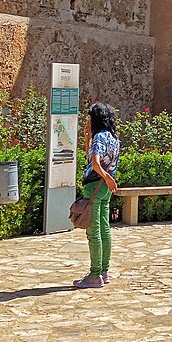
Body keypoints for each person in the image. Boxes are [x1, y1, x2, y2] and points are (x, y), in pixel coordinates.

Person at [76, 102, 121, 288]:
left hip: (94, 185)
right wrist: (87, 138)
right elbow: (93, 157)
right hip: (104, 189)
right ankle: (104, 271)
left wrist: (106, 177)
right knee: (104, 229)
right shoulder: (113, 138)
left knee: (93, 232)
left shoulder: (100, 138)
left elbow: (94, 163)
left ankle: (94, 275)